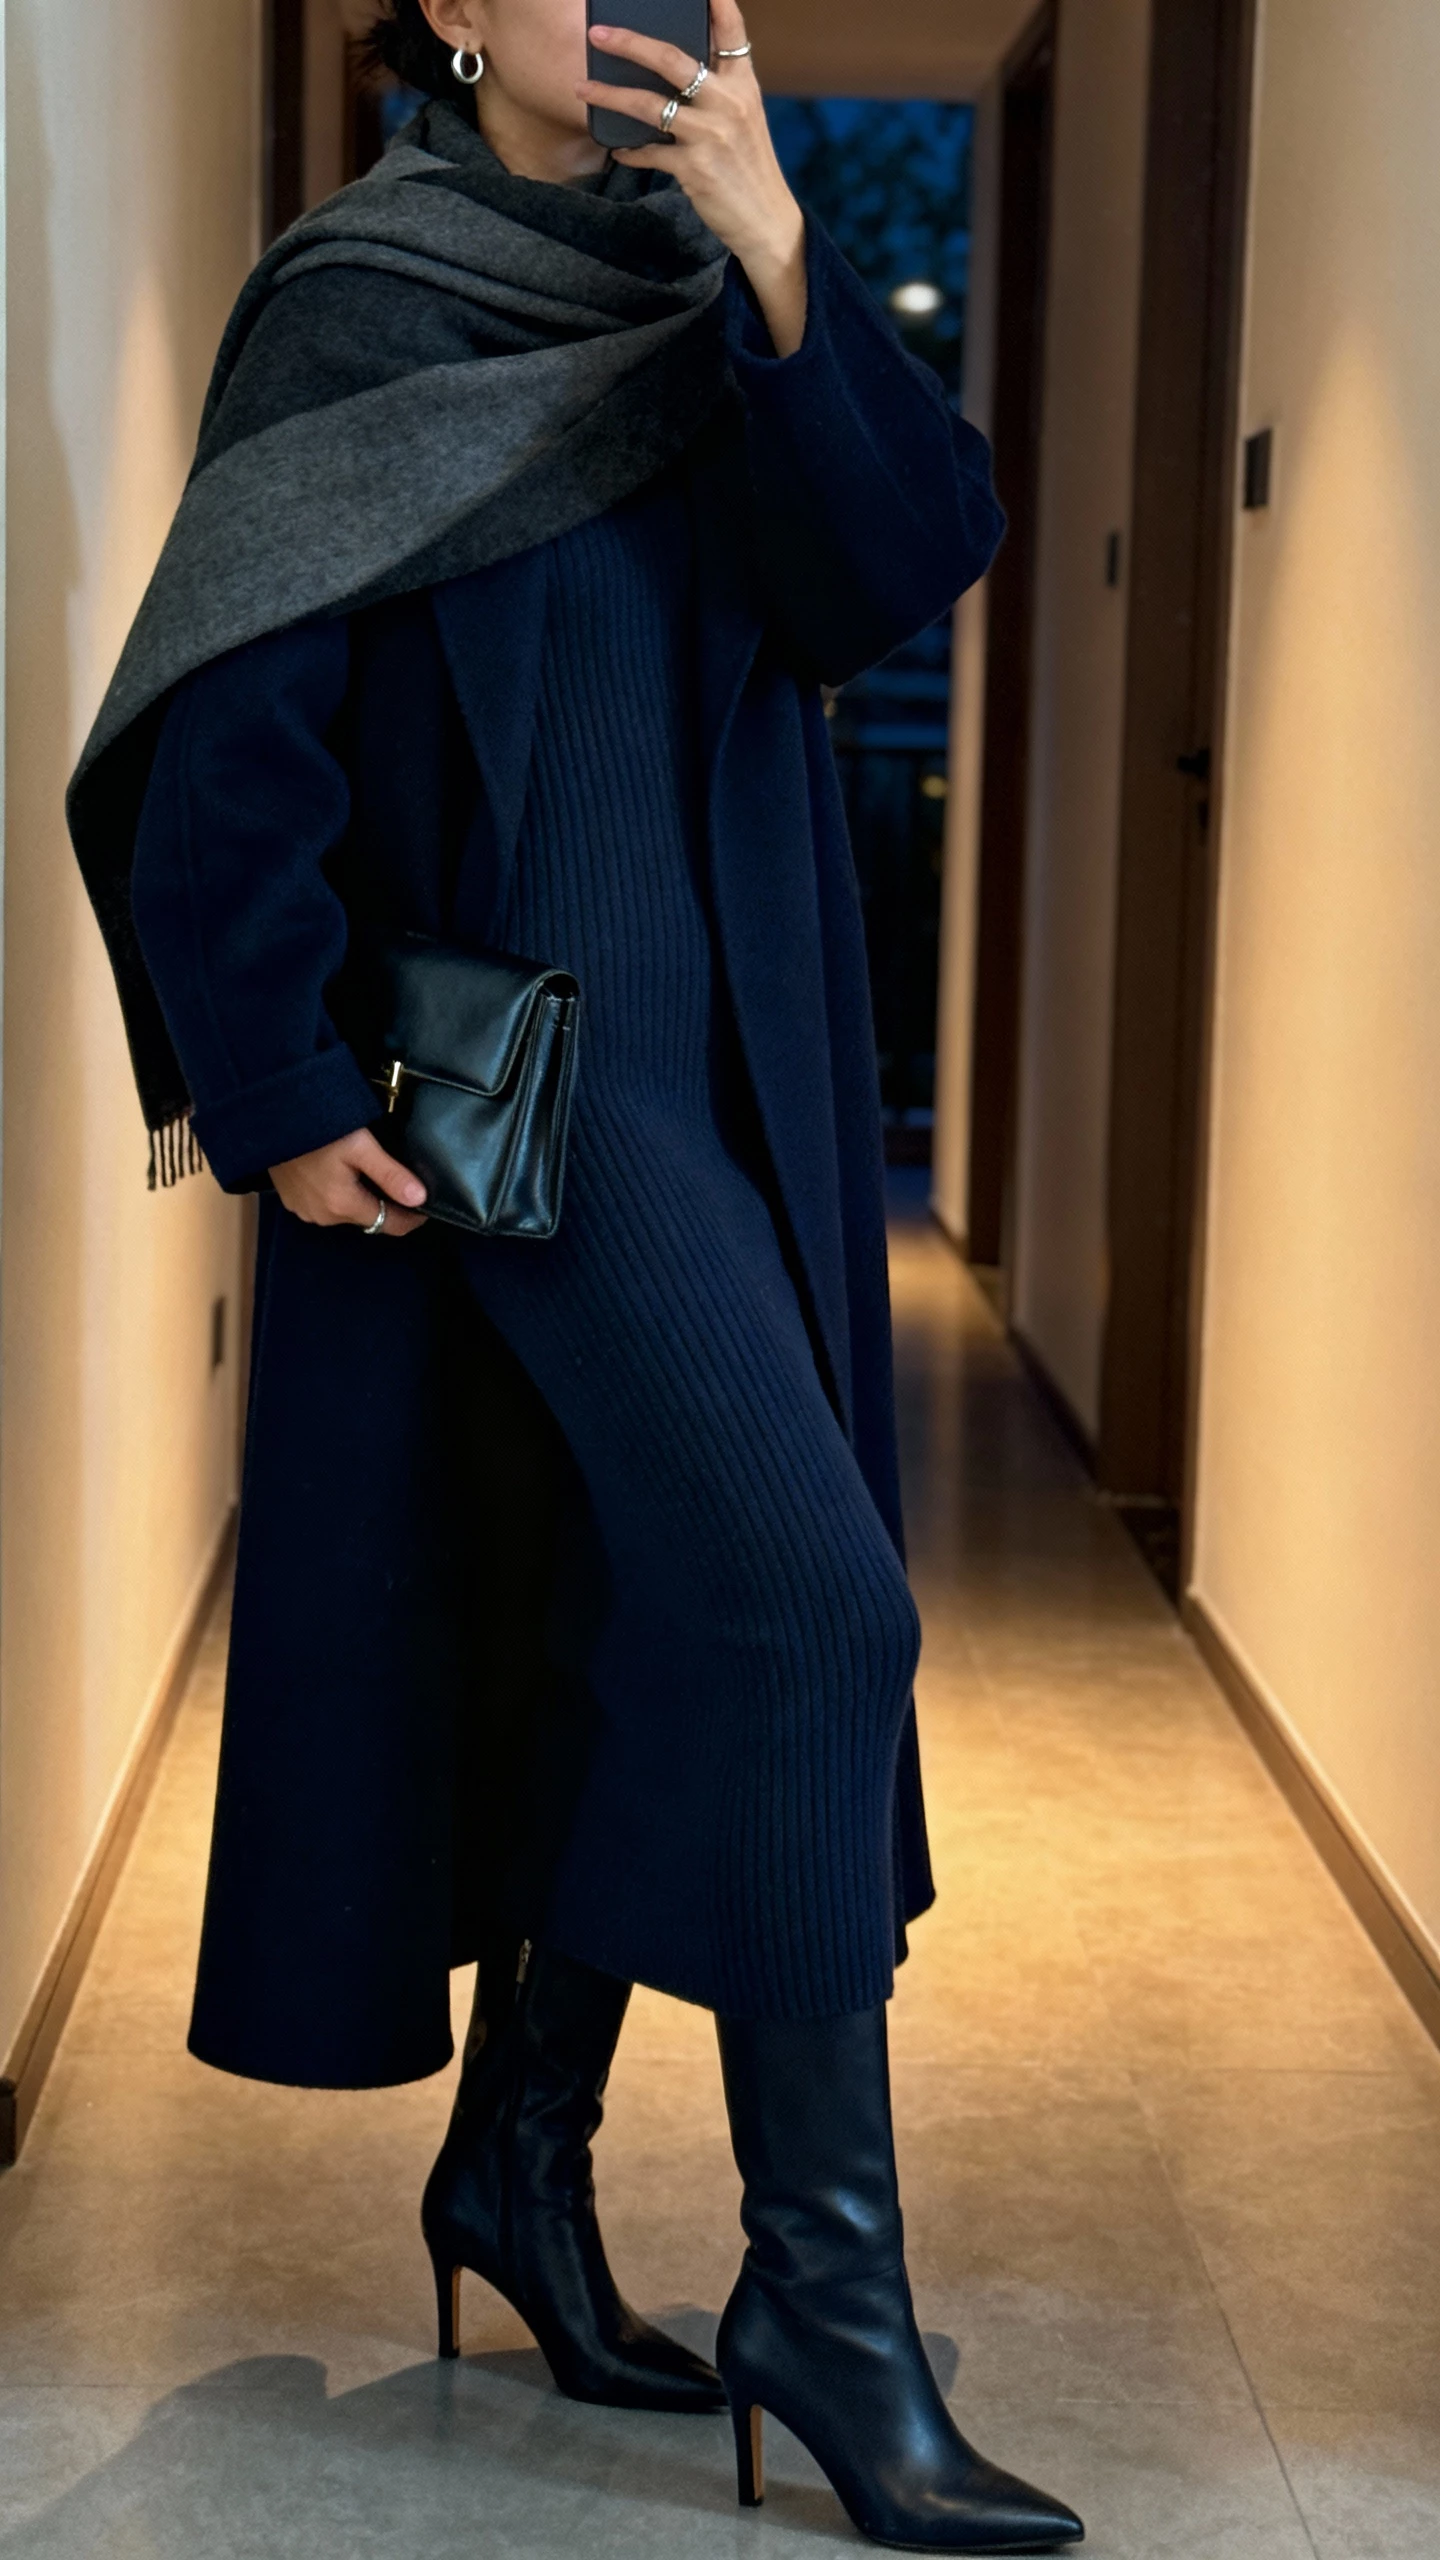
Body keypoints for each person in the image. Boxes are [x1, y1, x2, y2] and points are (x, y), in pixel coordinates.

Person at [67, 0, 1083, 2547]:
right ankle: (827, 2304)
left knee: (638, 1622)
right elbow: (233, 710)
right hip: (519, 1092)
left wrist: (776, 262)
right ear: (441, 3)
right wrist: (278, 1085)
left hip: (746, 1055)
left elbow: (892, 563)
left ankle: (522, 2155)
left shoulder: (709, 286)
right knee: (812, 1614)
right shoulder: (357, 299)